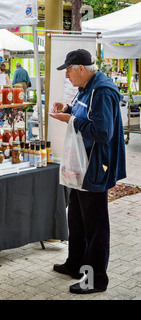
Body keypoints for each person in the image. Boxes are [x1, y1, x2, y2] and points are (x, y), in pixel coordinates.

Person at [50, 49, 126, 294]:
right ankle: (75, 264)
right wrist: (70, 110)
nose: (67, 77)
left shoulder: (102, 90)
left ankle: (95, 280)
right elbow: (86, 114)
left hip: (95, 166)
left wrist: (69, 120)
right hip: (82, 165)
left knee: (95, 226)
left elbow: (103, 132)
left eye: (69, 71)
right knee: (77, 218)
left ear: (81, 68)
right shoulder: (88, 87)